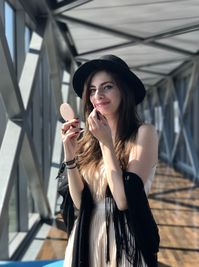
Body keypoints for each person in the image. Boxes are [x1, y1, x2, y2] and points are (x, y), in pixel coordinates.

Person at [58, 55, 160, 267]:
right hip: (85, 238)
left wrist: (106, 143)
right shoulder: (87, 140)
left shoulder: (144, 133)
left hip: (122, 241)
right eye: (93, 90)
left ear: (124, 90)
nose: (98, 95)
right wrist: (70, 157)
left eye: (107, 87)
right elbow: (80, 202)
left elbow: (123, 201)